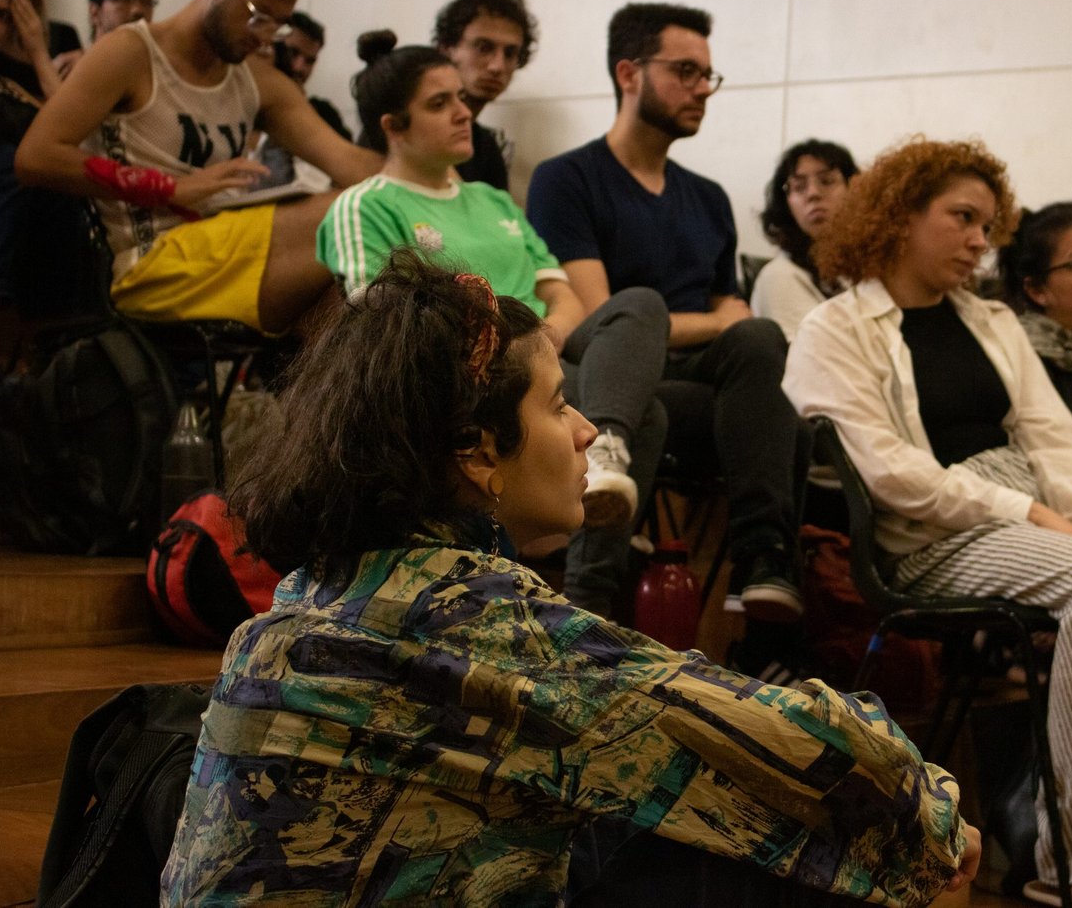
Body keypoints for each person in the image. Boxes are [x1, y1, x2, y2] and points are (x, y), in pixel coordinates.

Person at [158, 249, 979, 906]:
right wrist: (936, 809)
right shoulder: (472, 616)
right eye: (558, 405)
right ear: (478, 449)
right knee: (905, 840)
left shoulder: (318, 585)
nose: (587, 428)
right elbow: (826, 755)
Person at [785, 136, 1072, 908]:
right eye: (963, 219)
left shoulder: (993, 319)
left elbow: (1058, 449)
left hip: (1035, 504)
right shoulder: (834, 328)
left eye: (988, 224)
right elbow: (894, 475)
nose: (981, 240)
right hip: (932, 534)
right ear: (901, 217)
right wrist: (1036, 515)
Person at [318, 30, 668, 617]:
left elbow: (566, 295)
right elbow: (383, 317)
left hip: (545, 357)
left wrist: (541, 346)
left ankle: (601, 479)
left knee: (640, 306)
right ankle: (589, 598)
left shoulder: (494, 201)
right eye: (439, 104)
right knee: (649, 412)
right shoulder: (366, 204)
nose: (463, 113)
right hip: (469, 373)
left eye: (460, 98)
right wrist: (519, 352)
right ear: (392, 126)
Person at [527, 2, 808, 627]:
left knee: (765, 350)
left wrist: (728, 324)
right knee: (642, 309)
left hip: (690, 389)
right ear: (629, 73)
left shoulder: (707, 199)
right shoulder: (565, 179)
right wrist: (718, 323)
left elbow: (737, 317)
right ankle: (590, 596)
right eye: (686, 70)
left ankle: (764, 562)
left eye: (709, 74)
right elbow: (600, 313)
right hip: (606, 376)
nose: (703, 88)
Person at [14, 0, 378, 336]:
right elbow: (36, 156)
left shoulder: (258, 81)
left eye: (279, 24)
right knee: (347, 217)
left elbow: (348, 161)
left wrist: (442, 186)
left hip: (221, 253)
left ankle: (304, 407)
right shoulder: (130, 53)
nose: (266, 36)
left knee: (363, 296)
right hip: (150, 267)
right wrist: (169, 188)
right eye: (258, 17)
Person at [0, 0, 63, 402]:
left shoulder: (10, 79)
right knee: (8, 170)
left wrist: (36, 52)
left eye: (3, 16)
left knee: (53, 178)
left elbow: (67, 125)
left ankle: (46, 357)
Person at [432, 0, 535, 193]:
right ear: (447, 49)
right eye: (483, 48)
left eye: (510, 53)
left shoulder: (486, 146)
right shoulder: (408, 128)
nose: (497, 66)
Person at [750, 138, 857, 340]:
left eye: (826, 181)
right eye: (799, 187)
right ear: (786, 204)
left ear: (855, 189)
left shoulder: (868, 268)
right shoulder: (781, 275)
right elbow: (815, 360)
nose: (813, 194)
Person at [276, 10, 352, 140]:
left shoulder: (324, 116)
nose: (299, 67)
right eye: (292, 53)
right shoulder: (242, 104)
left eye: (309, 61)